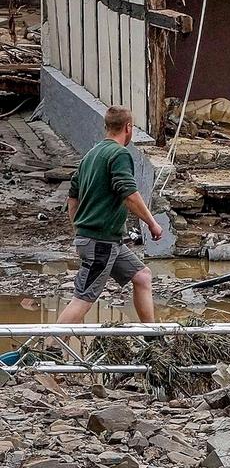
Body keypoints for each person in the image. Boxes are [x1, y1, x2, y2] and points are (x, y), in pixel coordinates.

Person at [57, 106, 164, 324]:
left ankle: (152, 339)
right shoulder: (119, 153)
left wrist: (79, 233)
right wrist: (152, 223)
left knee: (142, 276)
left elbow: (72, 198)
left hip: (107, 240)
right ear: (128, 127)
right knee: (83, 298)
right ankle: (48, 349)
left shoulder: (90, 155)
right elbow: (129, 194)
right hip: (101, 242)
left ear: (106, 127)